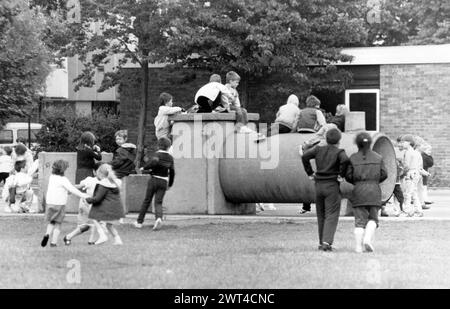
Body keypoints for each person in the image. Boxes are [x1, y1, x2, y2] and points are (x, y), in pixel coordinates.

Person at [301, 128, 349, 252]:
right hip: (332, 185)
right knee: (331, 214)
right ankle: (326, 243)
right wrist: (341, 175)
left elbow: (305, 156)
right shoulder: (339, 152)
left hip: (318, 185)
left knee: (321, 215)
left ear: (326, 139)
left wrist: (310, 173)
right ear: (339, 140)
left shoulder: (318, 149)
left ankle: (321, 242)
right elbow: (345, 160)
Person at [345, 132, 388, 253]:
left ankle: (358, 247)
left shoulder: (353, 158)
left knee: (359, 221)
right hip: (374, 191)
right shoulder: (378, 157)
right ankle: (367, 239)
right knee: (373, 219)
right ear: (370, 143)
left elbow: (348, 175)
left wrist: (357, 182)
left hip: (358, 191)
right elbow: (384, 174)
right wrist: (374, 181)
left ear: (357, 144)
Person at [41, 160, 89, 247]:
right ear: (63, 170)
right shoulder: (63, 179)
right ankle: (53, 243)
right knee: (58, 223)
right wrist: (83, 195)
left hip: (50, 203)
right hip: (59, 204)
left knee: (52, 222)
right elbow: (72, 189)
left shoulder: (52, 177)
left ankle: (47, 234)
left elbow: (61, 189)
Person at [134, 137, 175, 230]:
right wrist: (170, 184)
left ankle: (139, 222)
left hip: (154, 180)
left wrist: (144, 168)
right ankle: (159, 218)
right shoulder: (170, 158)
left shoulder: (157, 155)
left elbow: (153, 163)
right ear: (168, 147)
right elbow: (172, 172)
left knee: (147, 200)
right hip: (164, 181)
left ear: (158, 146)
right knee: (158, 202)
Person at [63, 163, 102, 246]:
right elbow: (80, 186)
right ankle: (91, 241)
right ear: (94, 172)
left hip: (88, 203)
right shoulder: (91, 180)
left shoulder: (105, 182)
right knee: (96, 220)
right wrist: (69, 188)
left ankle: (68, 237)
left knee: (85, 226)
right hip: (87, 202)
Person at [86, 163, 125, 245]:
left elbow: (97, 198)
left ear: (100, 173)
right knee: (109, 225)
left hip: (108, 209)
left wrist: (87, 199)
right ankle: (118, 240)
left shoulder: (103, 184)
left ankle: (102, 235)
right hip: (117, 209)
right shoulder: (115, 182)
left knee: (94, 216)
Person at [400, 134, 423, 217]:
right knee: (414, 193)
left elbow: (406, 166)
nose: (402, 144)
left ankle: (407, 211)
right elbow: (420, 166)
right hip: (416, 173)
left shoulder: (408, 152)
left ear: (409, 143)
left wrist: (402, 174)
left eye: (404, 142)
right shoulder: (416, 153)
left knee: (407, 194)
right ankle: (418, 210)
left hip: (410, 174)